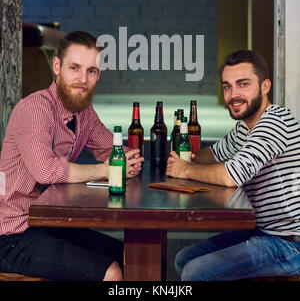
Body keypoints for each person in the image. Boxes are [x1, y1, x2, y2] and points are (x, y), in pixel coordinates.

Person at [0, 31, 143, 281]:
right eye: (74, 68)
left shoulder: (83, 111)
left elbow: (112, 149)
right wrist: (106, 169)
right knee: (111, 273)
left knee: (135, 257)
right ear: (57, 66)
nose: (82, 79)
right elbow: (46, 170)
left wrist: (128, 159)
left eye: (91, 71)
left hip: (50, 224)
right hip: (12, 233)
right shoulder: (35, 109)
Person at [166, 49, 300, 281]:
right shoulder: (245, 126)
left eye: (243, 84)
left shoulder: (275, 121)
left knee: (195, 273)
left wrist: (185, 170)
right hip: (265, 231)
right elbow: (216, 153)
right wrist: (185, 158)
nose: (233, 94)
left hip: (291, 243)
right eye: (227, 86)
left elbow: (231, 175)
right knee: (183, 259)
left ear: (265, 86)